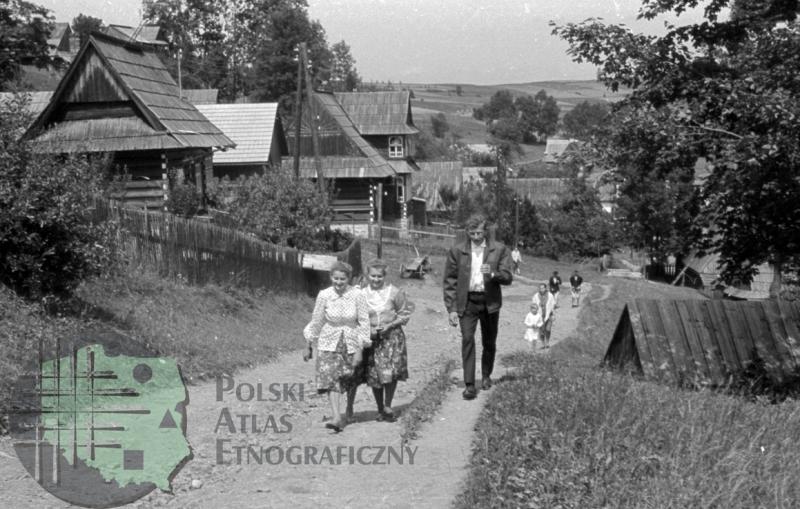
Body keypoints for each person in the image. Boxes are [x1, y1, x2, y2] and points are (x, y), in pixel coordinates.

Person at [443, 213, 513, 400]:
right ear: (467, 232)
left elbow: (508, 277)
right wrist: (451, 309)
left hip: (490, 302)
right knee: (467, 339)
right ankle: (469, 384)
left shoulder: (499, 249)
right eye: (472, 233)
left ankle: (486, 375)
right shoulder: (457, 251)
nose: (475, 237)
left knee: (489, 341)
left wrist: (494, 273)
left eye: (479, 233)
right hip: (467, 302)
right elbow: (449, 281)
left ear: (486, 231)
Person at [303, 261, 371, 432]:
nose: (339, 282)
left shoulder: (357, 295)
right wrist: (308, 344)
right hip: (328, 340)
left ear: (349, 279)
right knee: (330, 377)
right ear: (331, 277)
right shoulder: (324, 295)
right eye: (336, 278)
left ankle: (349, 407)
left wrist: (360, 349)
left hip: (351, 340)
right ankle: (336, 417)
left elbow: (364, 322)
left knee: (350, 377)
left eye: (342, 279)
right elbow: (317, 320)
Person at [359, 259, 413, 422]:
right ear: (367, 275)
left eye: (379, 276)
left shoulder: (394, 292)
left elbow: (404, 314)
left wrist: (389, 325)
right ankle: (379, 408)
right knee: (375, 374)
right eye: (373, 276)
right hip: (372, 339)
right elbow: (358, 316)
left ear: (384, 276)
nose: (376, 279)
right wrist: (367, 330)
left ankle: (388, 405)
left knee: (390, 372)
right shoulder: (361, 294)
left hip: (391, 338)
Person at [531, 283, 556, 348]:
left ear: (545, 288)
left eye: (543, 288)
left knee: (548, 329)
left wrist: (553, 314)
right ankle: (543, 343)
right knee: (541, 331)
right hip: (539, 316)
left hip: (549, 315)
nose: (541, 289)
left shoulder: (550, 295)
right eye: (540, 288)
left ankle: (547, 342)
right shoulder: (536, 296)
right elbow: (533, 305)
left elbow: (553, 304)